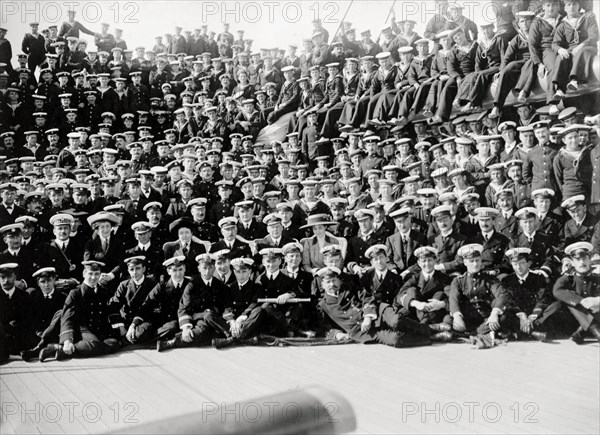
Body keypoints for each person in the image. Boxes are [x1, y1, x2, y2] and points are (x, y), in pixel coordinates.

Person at [553, 242, 600, 343]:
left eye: (584, 258)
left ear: (590, 260)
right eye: (578, 260)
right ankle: (594, 328)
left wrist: (597, 301)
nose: (582, 262)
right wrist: (581, 301)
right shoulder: (567, 278)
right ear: (572, 262)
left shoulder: (597, 277)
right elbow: (557, 291)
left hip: (596, 314)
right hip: (574, 320)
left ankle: (581, 332)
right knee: (570, 300)